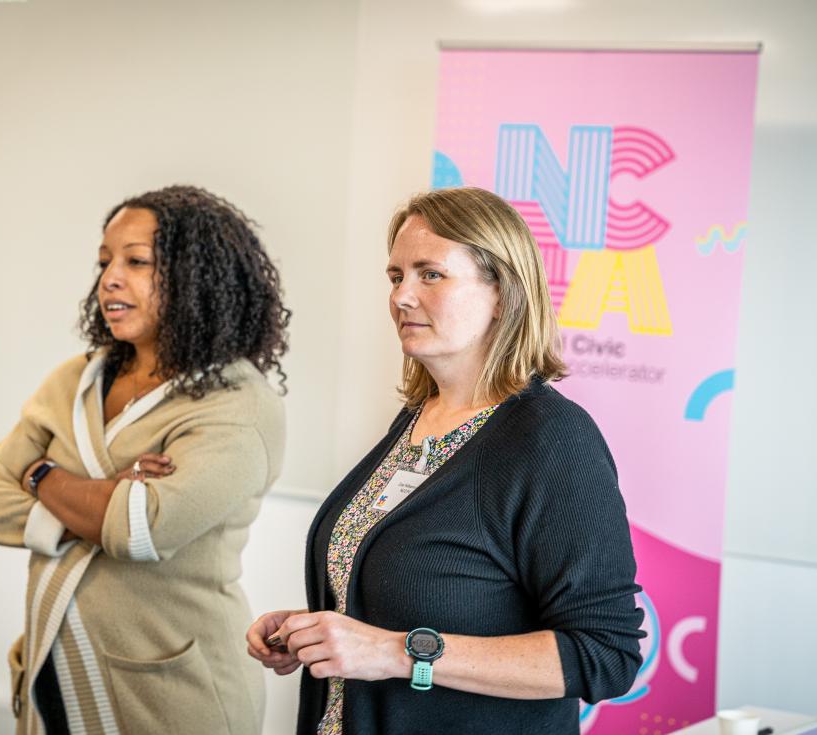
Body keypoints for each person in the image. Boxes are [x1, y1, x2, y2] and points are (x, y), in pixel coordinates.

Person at [247, 187, 644, 734]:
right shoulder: (417, 418)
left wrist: (398, 652)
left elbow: (604, 653)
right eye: (395, 276)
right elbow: (428, 588)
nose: (402, 297)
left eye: (430, 274)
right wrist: (318, 627)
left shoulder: (552, 440)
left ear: (503, 292)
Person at [0, 185, 288, 735]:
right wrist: (103, 499)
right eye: (104, 262)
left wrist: (39, 473)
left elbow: (140, 530)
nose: (109, 279)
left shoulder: (239, 405)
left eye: (136, 262)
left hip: (171, 692)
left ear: (197, 277)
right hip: (56, 667)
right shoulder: (76, 379)